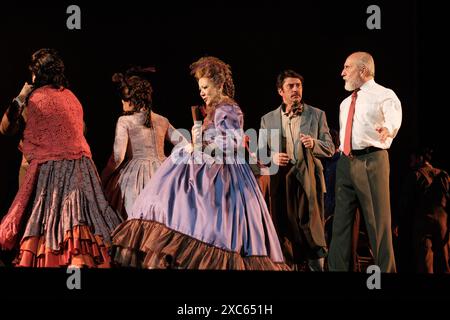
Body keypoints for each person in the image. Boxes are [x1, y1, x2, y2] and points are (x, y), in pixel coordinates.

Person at [111, 56, 289, 270]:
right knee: (167, 203)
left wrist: (201, 144)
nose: (202, 92)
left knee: (210, 223)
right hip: (207, 161)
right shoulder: (216, 108)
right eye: (200, 87)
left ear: (220, 85)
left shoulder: (228, 108)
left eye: (205, 87)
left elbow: (231, 142)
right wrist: (199, 139)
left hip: (223, 171)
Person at [0, 48, 122, 267]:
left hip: (44, 174)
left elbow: (6, 129)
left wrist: (20, 97)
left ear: (38, 73)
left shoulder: (32, 99)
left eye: (33, 73)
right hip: (79, 172)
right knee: (74, 226)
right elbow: (80, 130)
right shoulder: (72, 98)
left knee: (40, 228)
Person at [328, 51, 402, 273]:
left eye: (347, 68)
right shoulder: (344, 103)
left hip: (371, 161)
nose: (342, 73)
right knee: (340, 225)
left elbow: (393, 116)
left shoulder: (384, 94)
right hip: (345, 163)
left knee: (377, 225)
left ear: (363, 70)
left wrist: (388, 129)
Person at [260, 70, 334, 271]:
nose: (295, 90)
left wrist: (314, 143)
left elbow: (330, 147)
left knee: (312, 231)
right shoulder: (268, 119)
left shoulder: (317, 115)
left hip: (309, 179)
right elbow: (260, 151)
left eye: (298, 86)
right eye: (290, 86)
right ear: (280, 91)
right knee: (283, 229)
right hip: (282, 181)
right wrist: (273, 157)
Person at [101, 68, 185, 219]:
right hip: (163, 174)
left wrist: (104, 177)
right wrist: (171, 163)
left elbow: (117, 157)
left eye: (124, 98)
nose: (122, 102)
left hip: (135, 178)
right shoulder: (162, 120)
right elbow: (185, 144)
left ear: (133, 100)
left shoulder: (125, 121)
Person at [398, 147, 449, 273]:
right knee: (445, 262)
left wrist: (397, 222)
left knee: (425, 263)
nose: (410, 162)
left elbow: (404, 203)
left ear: (420, 158)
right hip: (442, 222)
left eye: (412, 159)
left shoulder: (415, 175)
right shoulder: (443, 175)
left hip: (423, 223)